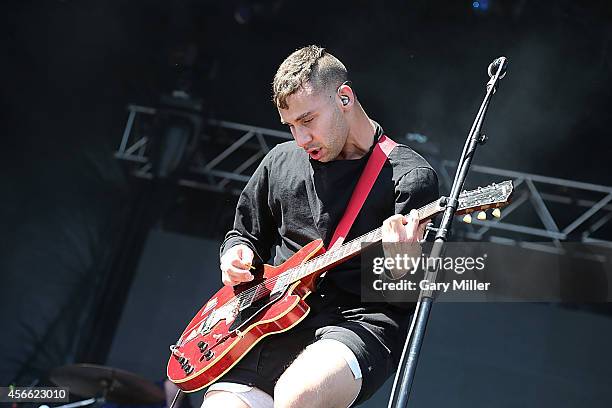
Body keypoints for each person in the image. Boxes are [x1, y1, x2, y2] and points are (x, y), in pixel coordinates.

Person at [201, 45, 439, 408]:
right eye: (291, 126)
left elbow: (405, 299)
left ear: (344, 97)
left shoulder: (408, 177)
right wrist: (235, 254)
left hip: (358, 321)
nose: (301, 138)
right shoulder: (281, 160)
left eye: (308, 120)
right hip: (270, 319)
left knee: (297, 396)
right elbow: (243, 233)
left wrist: (404, 262)